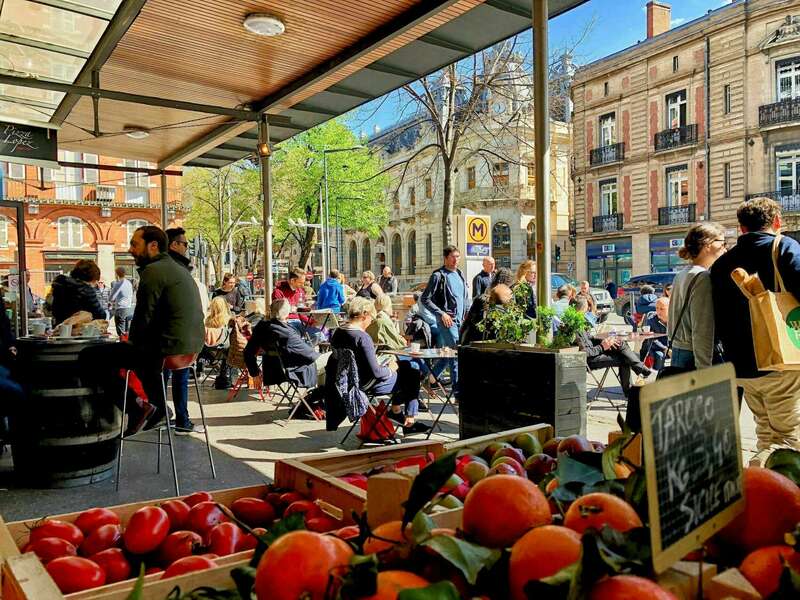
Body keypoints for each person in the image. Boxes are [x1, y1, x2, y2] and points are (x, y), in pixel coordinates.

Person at [79, 226, 204, 432]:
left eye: (135, 244)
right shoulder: (175, 267)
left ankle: (137, 407)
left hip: (168, 349)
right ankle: (156, 406)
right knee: (134, 354)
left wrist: (130, 343)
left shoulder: (153, 271)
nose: (130, 249)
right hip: (189, 349)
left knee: (89, 356)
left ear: (153, 246)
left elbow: (143, 316)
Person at [711, 198, 800, 461]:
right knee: (788, 440)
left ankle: (762, 482)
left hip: (743, 365)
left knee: (766, 433)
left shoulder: (722, 264)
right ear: (776, 222)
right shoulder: (783, 247)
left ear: (741, 228)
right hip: (780, 361)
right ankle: (778, 493)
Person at [328, 297, 428, 434]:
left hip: (347, 380)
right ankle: (408, 421)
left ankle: (399, 413)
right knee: (413, 373)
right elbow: (377, 372)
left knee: (406, 366)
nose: (371, 322)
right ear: (365, 315)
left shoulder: (338, 332)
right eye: (371, 318)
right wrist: (390, 369)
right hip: (367, 382)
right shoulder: (362, 338)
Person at [163, 227, 207, 433]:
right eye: (185, 244)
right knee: (177, 377)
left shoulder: (171, 268)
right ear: (174, 245)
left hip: (173, 336)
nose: (188, 248)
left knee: (165, 377)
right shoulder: (174, 270)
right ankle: (180, 419)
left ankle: (164, 416)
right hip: (176, 337)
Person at [669, 222, 727, 370]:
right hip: (694, 355)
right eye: (722, 243)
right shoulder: (702, 277)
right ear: (707, 244)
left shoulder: (682, 274)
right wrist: (704, 370)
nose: (725, 248)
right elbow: (702, 329)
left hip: (679, 351)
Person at [574, 296, 651, 397]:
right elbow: (585, 353)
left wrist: (606, 340)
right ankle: (640, 373)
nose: (588, 311)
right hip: (589, 360)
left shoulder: (580, 322)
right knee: (624, 358)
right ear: (582, 310)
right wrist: (602, 346)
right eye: (586, 309)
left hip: (594, 352)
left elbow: (589, 339)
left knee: (619, 342)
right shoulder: (574, 325)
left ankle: (640, 371)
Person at [244, 299, 329, 390]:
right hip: (292, 369)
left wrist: (255, 373)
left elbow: (248, 351)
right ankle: (321, 395)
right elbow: (310, 354)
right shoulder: (287, 333)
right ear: (287, 314)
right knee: (333, 358)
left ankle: (320, 394)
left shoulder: (261, 327)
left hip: (272, 369)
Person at [421, 245, 469, 393]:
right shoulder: (438, 276)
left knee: (449, 354)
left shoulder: (460, 274)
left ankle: (430, 378)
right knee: (456, 353)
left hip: (461, 321)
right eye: (452, 257)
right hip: (447, 321)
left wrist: (467, 313)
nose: (455, 260)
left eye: (457, 257)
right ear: (446, 258)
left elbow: (464, 298)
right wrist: (442, 313)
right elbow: (425, 299)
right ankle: (458, 392)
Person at [461, 268, 515, 345]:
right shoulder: (508, 303)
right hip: (489, 344)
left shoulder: (480, 299)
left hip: (474, 341)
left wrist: (461, 341)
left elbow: (467, 323)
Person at [49, 260, 107, 325]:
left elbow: (49, 307)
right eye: (95, 281)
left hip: (59, 329)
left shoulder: (59, 284)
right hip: (79, 331)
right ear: (92, 278)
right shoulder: (86, 290)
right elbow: (100, 315)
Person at [640, 297, 669, 371]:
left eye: (662, 309)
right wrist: (665, 349)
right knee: (659, 355)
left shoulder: (675, 319)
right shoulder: (651, 320)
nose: (658, 311)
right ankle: (659, 377)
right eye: (657, 308)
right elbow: (652, 339)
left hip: (673, 348)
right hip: (657, 348)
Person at [109, 267, 134, 337]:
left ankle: (122, 345)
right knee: (126, 331)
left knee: (121, 332)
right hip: (129, 308)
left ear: (117, 274)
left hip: (121, 309)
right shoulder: (129, 283)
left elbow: (112, 297)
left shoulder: (119, 283)